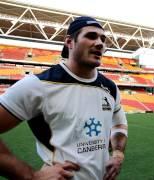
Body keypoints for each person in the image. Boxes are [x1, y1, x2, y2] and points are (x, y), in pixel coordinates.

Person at [0, 16, 128, 180]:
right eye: (91, 36)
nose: (100, 43)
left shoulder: (110, 88)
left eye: (103, 39)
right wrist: (31, 176)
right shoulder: (38, 85)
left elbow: (119, 123)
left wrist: (117, 154)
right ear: (69, 42)